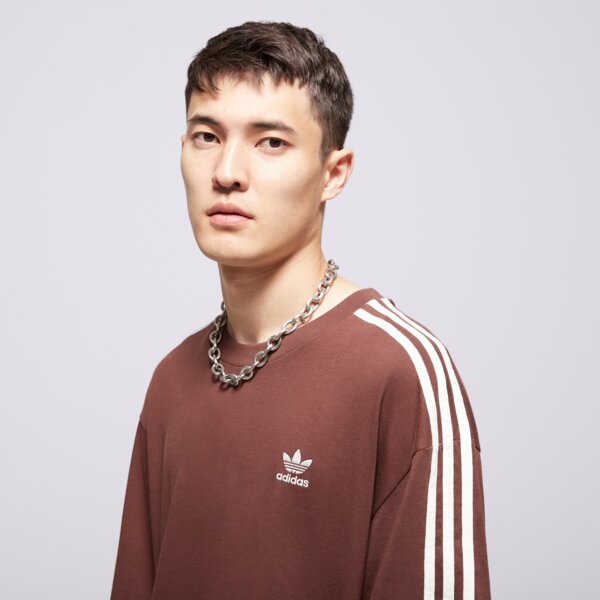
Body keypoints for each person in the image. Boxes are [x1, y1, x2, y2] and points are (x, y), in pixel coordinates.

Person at [110, 20, 491, 600]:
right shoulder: (171, 380)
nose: (227, 173)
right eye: (206, 136)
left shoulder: (400, 369)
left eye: (271, 142)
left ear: (333, 174)